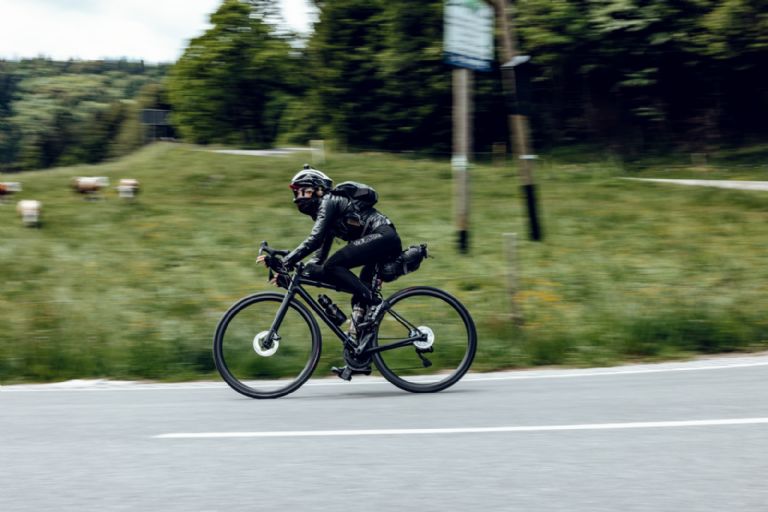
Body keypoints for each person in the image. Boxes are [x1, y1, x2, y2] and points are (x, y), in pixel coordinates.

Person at [258, 164, 402, 376]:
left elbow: (314, 240)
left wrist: (287, 262)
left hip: (383, 237)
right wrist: (292, 273)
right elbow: (319, 257)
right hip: (376, 244)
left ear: (318, 189)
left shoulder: (330, 200)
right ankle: (359, 358)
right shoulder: (325, 214)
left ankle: (376, 303)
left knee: (336, 266)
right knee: (354, 293)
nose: (298, 196)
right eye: (296, 192)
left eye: (303, 190)